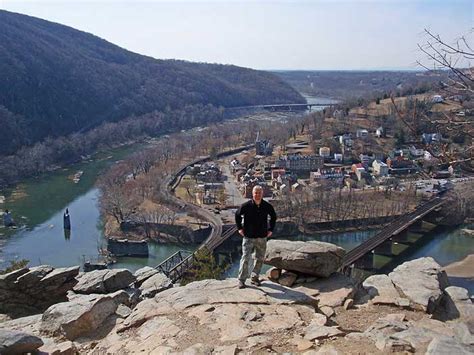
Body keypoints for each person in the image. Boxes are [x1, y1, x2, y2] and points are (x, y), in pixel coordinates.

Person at [235, 185, 277, 289]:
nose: (257, 195)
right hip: (248, 236)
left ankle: (254, 277)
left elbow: (273, 216)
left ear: (262, 194)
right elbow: (237, 215)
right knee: (245, 258)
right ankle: (241, 280)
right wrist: (240, 228)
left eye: (259, 193)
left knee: (260, 258)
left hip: (262, 236)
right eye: (256, 193)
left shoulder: (267, 206)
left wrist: (270, 229)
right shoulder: (246, 205)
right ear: (252, 194)